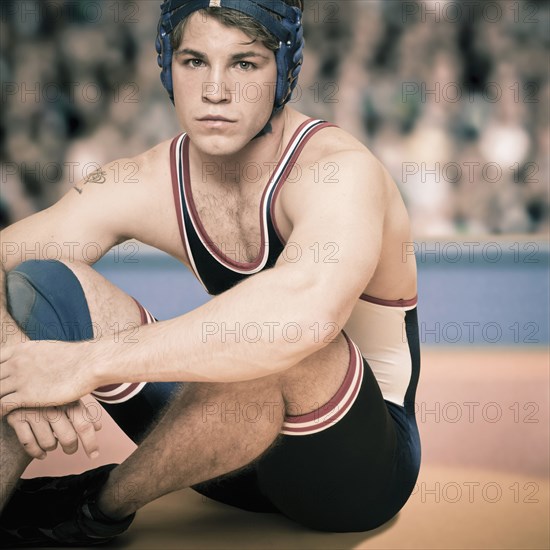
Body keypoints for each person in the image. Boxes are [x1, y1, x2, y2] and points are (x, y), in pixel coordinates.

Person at [0, 0, 421, 546]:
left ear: (284, 69)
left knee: (284, 342)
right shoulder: (146, 178)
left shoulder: (338, 171)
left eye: (244, 64)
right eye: (195, 61)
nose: (215, 90)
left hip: (354, 469)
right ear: (167, 68)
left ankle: (97, 504)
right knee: (38, 283)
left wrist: (78, 364)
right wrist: (19, 367)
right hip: (219, 451)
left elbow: (302, 318)